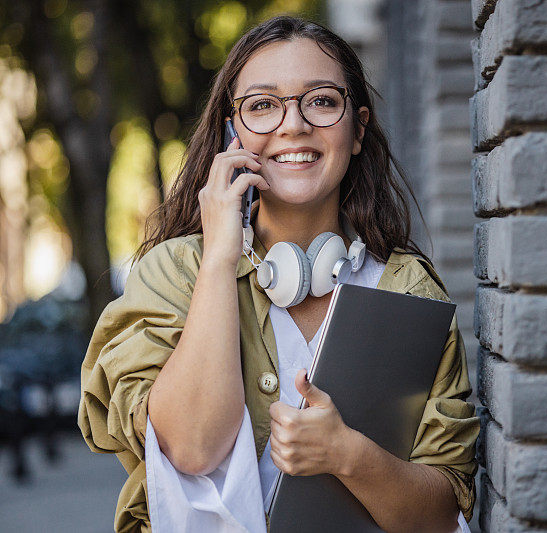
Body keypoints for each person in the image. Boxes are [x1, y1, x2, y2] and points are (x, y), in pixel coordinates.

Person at [78, 15, 478, 533]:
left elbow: (441, 514)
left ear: (357, 130)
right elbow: (192, 448)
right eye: (263, 105)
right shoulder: (176, 272)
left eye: (321, 101)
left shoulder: (406, 289)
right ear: (231, 131)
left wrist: (347, 455)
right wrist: (221, 254)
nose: (293, 125)